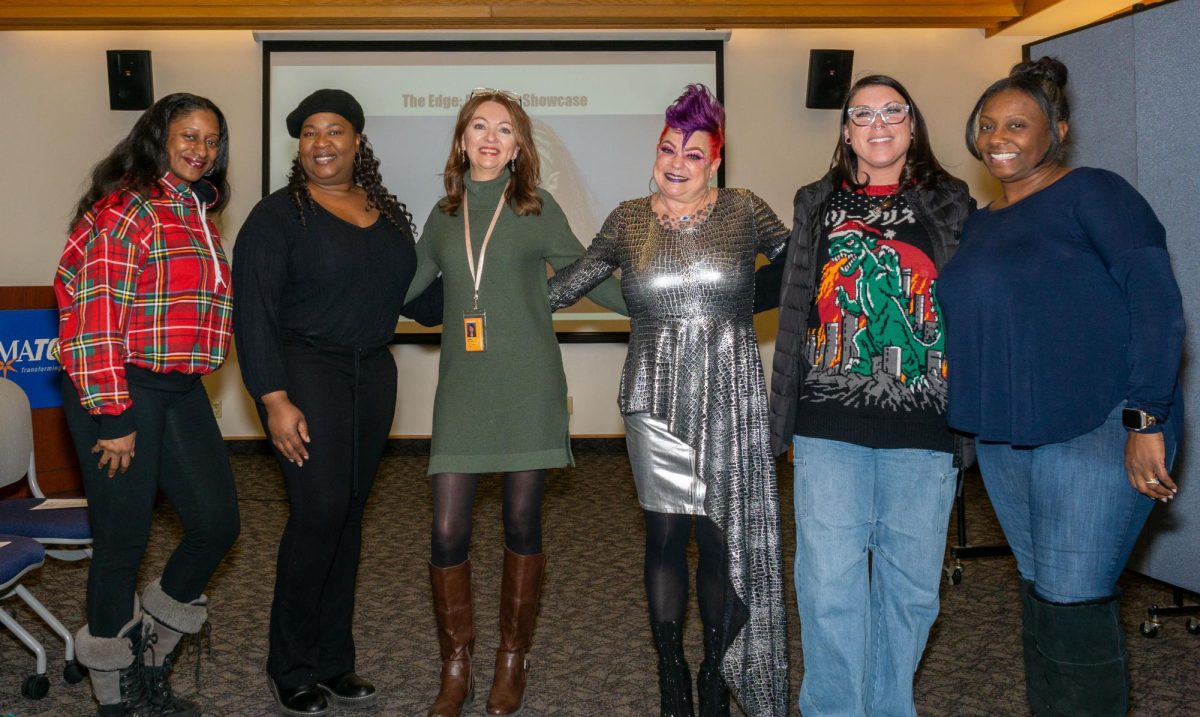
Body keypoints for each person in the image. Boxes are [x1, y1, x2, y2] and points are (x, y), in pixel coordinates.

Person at [938, 57, 1184, 716]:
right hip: (1006, 437)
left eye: (1019, 123)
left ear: (1059, 130)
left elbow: (1157, 305)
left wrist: (1145, 418)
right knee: (1042, 589)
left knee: (1073, 596)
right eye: (987, 124)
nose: (999, 136)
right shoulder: (982, 222)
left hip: (1100, 423)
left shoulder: (1095, 193)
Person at [548, 84, 790, 717]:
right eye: (667, 149)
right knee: (663, 536)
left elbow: (807, 264)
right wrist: (484, 292)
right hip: (653, 400)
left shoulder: (743, 211)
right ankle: (671, 672)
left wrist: (742, 304)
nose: (676, 161)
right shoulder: (627, 220)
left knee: (716, 540)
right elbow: (566, 286)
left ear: (716, 159)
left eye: (693, 152)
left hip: (729, 397)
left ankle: (714, 672)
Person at [405, 88, 624, 717]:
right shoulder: (443, 215)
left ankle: (510, 658)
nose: (491, 138)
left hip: (528, 385)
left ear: (519, 145)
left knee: (522, 523)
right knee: (446, 529)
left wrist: (661, 307)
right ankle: (456, 663)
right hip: (464, 391)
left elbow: (588, 276)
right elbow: (405, 282)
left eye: (505, 129)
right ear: (462, 139)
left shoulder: (535, 207)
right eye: (479, 126)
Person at [761, 75, 974, 717]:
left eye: (892, 111)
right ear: (846, 129)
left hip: (927, 429)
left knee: (911, 596)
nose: (877, 124)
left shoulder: (953, 202)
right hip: (828, 428)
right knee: (828, 589)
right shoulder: (816, 202)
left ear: (913, 124)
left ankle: (887, 708)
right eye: (862, 113)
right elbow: (795, 300)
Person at [233, 89, 442, 716]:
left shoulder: (386, 213)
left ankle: (333, 661)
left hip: (373, 376)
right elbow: (254, 314)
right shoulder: (278, 216)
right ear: (300, 145)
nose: (323, 143)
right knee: (318, 513)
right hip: (305, 373)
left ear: (358, 141)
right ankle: (289, 665)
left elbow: (412, 299)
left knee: (349, 515)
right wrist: (273, 398)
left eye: (337, 131)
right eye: (310, 133)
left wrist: (481, 279)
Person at [55, 92, 239, 717]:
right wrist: (113, 415)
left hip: (180, 389)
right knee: (123, 542)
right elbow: (94, 318)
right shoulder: (127, 209)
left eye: (211, 141)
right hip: (119, 389)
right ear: (157, 137)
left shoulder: (198, 214)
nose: (201, 150)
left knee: (217, 524)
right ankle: (115, 689)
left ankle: (150, 653)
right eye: (189, 136)